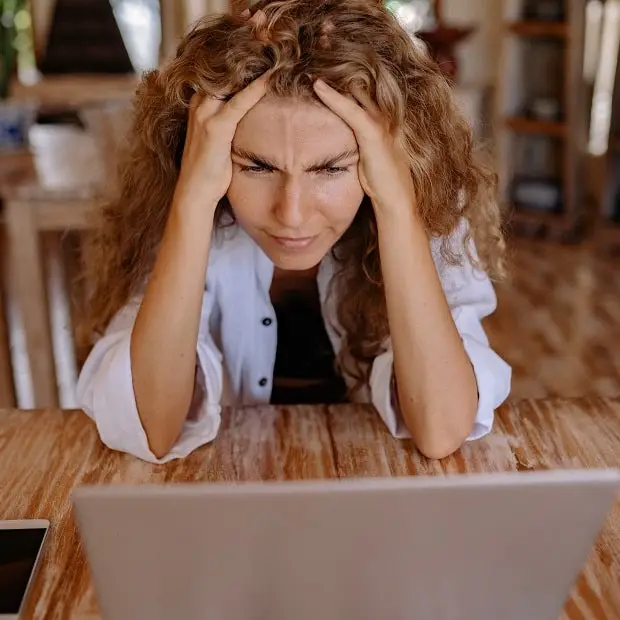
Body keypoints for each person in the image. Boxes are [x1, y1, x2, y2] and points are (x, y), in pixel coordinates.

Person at [76, 0, 511, 464]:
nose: (293, 215)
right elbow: (152, 429)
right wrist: (192, 200)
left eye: (330, 168)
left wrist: (398, 208)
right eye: (257, 166)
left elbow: (442, 429)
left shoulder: (424, 213)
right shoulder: (182, 208)